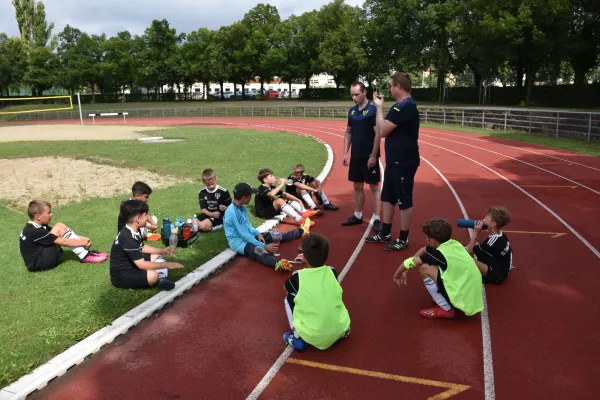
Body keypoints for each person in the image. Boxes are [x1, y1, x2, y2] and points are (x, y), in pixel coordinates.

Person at [365, 72, 420, 251]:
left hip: (404, 161)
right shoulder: (400, 106)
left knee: (404, 199)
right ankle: (386, 232)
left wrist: (379, 108)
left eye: (390, 85)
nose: (389, 88)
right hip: (394, 160)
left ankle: (403, 238)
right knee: (387, 196)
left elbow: (382, 131)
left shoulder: (405, 106)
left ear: (398, 87)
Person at [392, 218, 483, 319]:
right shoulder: (454, 243)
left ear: (432, 241)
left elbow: (410, 262)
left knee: (424, 268)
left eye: (425, 237)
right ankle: (445, 297)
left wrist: (398, 274)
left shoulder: (438, 254)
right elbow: (423, 250)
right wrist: (406, 272)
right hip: (472, 295)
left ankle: (446, 309)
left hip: (461, 296)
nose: (425, 239)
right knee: (437, 265)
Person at [283, 233, 351, 351]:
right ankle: (340, 331)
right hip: (339, 329)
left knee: (289, 297)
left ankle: (297, 336)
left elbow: (285, 287)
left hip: (313, 335)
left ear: (303, 257)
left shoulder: (297, 277)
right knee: (330, 293)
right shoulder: (332, 271)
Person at [225, 182, 312, 272]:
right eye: (250, 196)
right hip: (239, 242)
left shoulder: (242, 207)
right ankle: (277, 263)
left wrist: (258, 233)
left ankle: (301, 231)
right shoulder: (232, 212)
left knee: (274, 235)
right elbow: (244, 235)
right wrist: (264, 246)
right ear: (244, 198)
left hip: (248, 236)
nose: (251, 198)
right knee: (258, 250)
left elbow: (248, 225)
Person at [110, 200, 183, 291]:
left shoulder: (133, 230)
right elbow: (142, 265)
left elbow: (142, 247)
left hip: (132, 264)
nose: (147, 219)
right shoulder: (127, 237)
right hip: (122, 275)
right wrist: (168, 265)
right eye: (145, 216)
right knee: (153, 275)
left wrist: (162, 251)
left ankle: (160, 277)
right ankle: (160, 278)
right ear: (137, 219)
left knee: (158, 256)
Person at [19, 200, 108, 271]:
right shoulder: (33, 231)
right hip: (39, 264)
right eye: (49, 213)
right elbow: (63, 241)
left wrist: (82, 239)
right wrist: (82, 242)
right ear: (38, 216)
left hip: (40, 258)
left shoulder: (34, 226)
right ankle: (84, 256)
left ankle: (85, 253)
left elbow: (62, 235)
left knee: (60, 227)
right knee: (58, 227)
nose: (51, 214)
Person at [342, 82, 381, 231]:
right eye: (352, 94)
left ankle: (377, 219)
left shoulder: (372, 110)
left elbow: (377, 134)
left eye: (356, 94)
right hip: (356, 156)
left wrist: (373, 155)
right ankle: (357, 215)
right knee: (357, 187)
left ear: (365, 93)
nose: (354, 97)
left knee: (374, 188)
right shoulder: (352, 111)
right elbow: (349, 133)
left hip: (369, 156)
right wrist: (345, 153)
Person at [466, 206, 513, 284]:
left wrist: (475, 233)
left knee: (467, 258)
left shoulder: (491, 243)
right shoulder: (501, 235)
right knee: (474, 245)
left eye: (486, 218)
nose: (482, 220)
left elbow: (470, 251)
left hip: (497, 275)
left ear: (493, 224)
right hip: (503, 268)